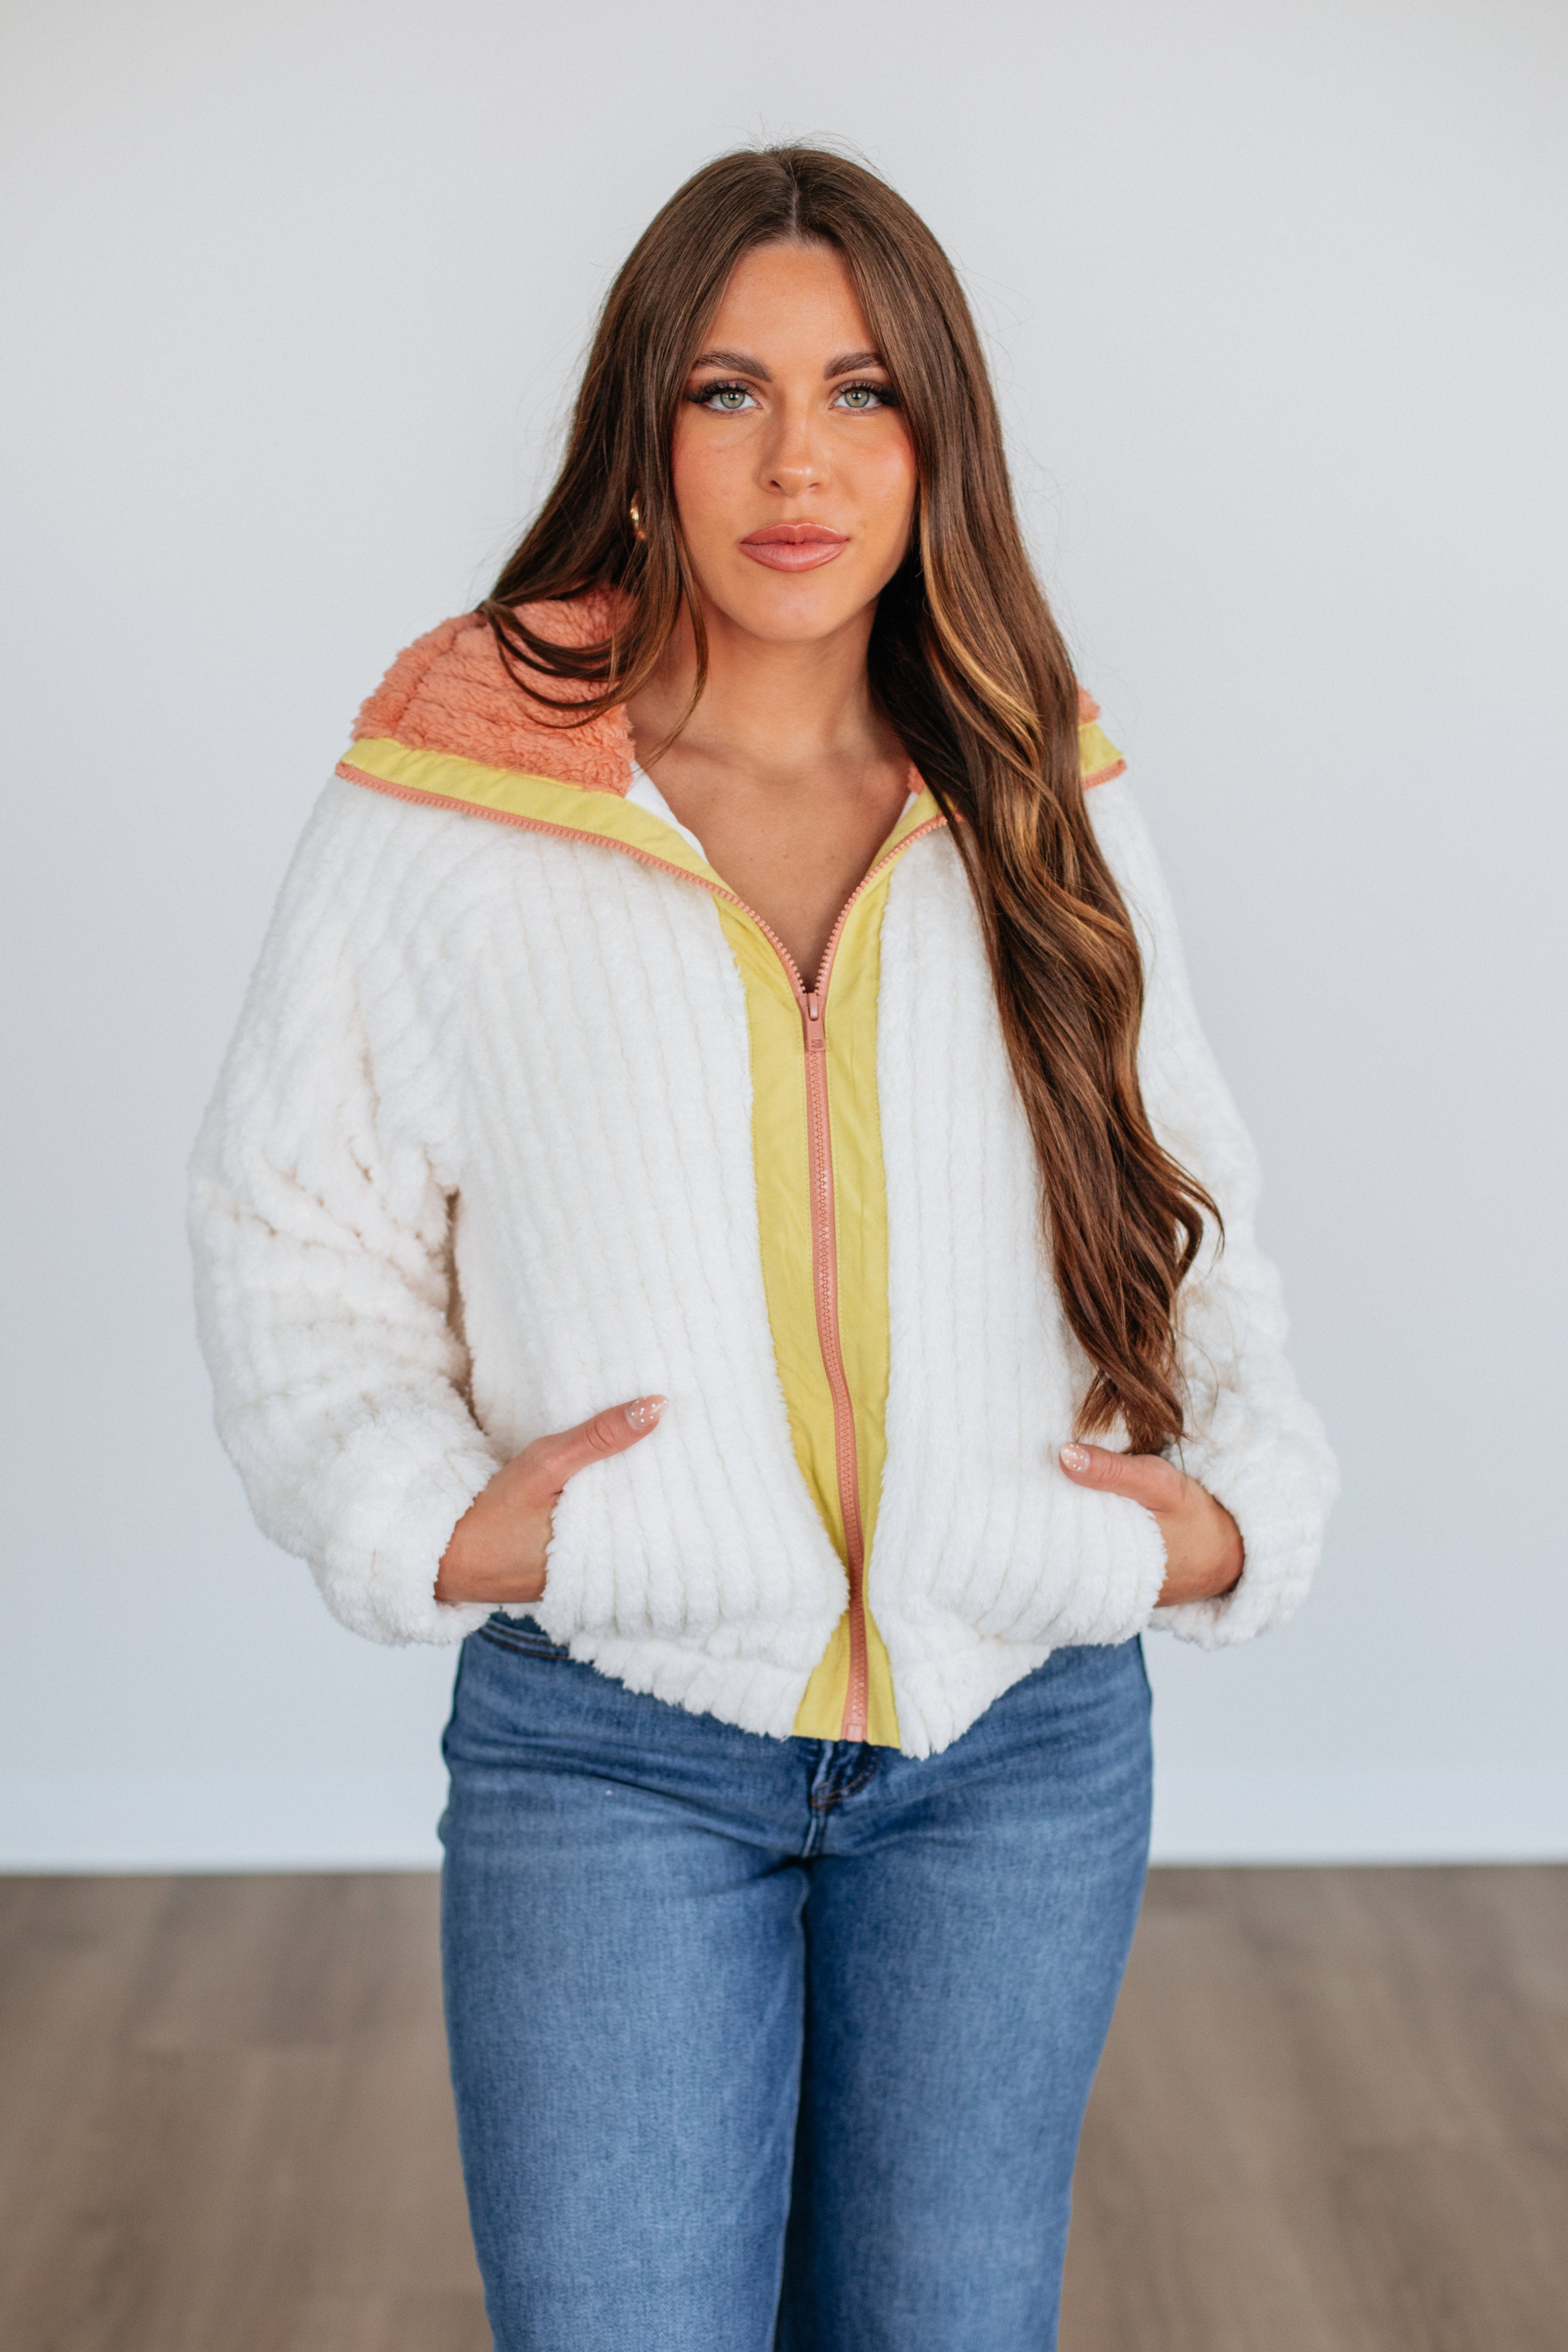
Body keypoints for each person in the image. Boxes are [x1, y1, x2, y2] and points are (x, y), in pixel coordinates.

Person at [189, 144, 1336, 2352]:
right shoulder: (462, 790)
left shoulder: (1033, 782)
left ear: (934, 439)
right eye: (729, 391)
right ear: (646, 425)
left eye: (860, 392)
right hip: (614, 1736)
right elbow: (291, 1220)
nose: (796, 461)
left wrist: (1227, 1516)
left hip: (1017, 1741)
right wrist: (426, 1518)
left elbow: (1182, 1187)